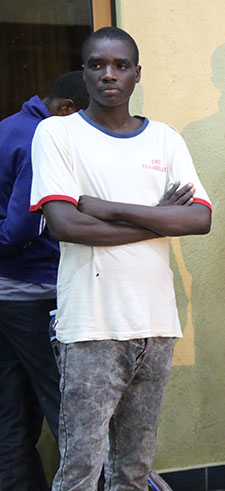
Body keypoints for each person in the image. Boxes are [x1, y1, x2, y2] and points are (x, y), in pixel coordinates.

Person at [29, 27, 212, 489]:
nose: (109, 74)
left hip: (155, 327)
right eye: (97, 65)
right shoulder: (57, 133)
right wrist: (159, 218)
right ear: (84, 72)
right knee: (79, 471)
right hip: (91, 327)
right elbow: (67, 226)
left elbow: (199, 220)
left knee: (133, 470)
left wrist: (110, 208)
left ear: (136, 75)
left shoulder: (165, 139)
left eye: (120, 65)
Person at [0, 71, 88, 491]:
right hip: (32, 292)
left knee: (12, 410)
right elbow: (18, 230)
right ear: (67, 110)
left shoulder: (8, 126)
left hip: (6, 293)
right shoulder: (40, 139)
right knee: (63, 403)